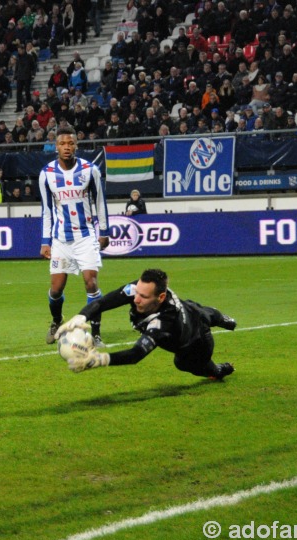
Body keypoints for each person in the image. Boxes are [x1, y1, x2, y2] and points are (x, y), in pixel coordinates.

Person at [55, 268, 236, 379]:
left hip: (195, 342)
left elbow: (136, 354)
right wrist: (80, 317)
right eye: (137, 292)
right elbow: (102, 302)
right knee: (197, 309)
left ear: (161, 297)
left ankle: (219, 369)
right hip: (190, 310)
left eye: (143, 296)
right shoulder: (139, 290)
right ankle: (221, 319)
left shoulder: (164, 320)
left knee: (186, 363)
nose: (136, 299)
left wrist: (99, 359)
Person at [39, 126, 110, 347]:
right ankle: (57, 320)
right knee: (56, 289)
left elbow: (100, 202)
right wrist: (45, 240)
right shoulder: (47, 174)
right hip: (60, 239)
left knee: (91, 282)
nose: (67, 147)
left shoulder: (90, 170)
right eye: (62, 144)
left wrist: (104, 231)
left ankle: (95, 333)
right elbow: (47, 210)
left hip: (86, 236)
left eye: (70, 143)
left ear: (76, 145)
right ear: (56, 146)